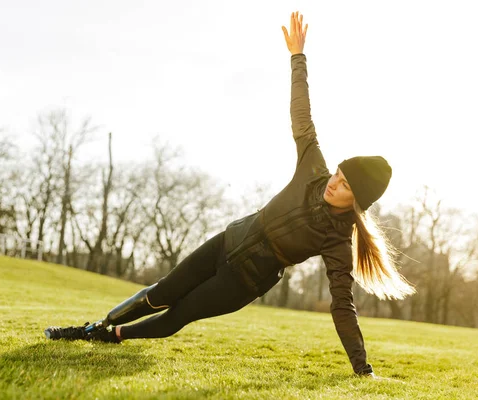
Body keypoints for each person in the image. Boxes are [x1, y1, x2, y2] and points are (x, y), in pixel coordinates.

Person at [44, 11, 416, 378]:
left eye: (346, 185)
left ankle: (115, 335)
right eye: (340, 172)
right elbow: (302, 115)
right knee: (162, 292)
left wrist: (361, 367)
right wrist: (297, 58)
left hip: (244, 281)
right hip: (227, 242)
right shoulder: (313, 168)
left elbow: (342, 306)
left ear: (357, 202)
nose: (335, 182)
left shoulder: (338, 242)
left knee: (179, 315)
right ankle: (94, 328)